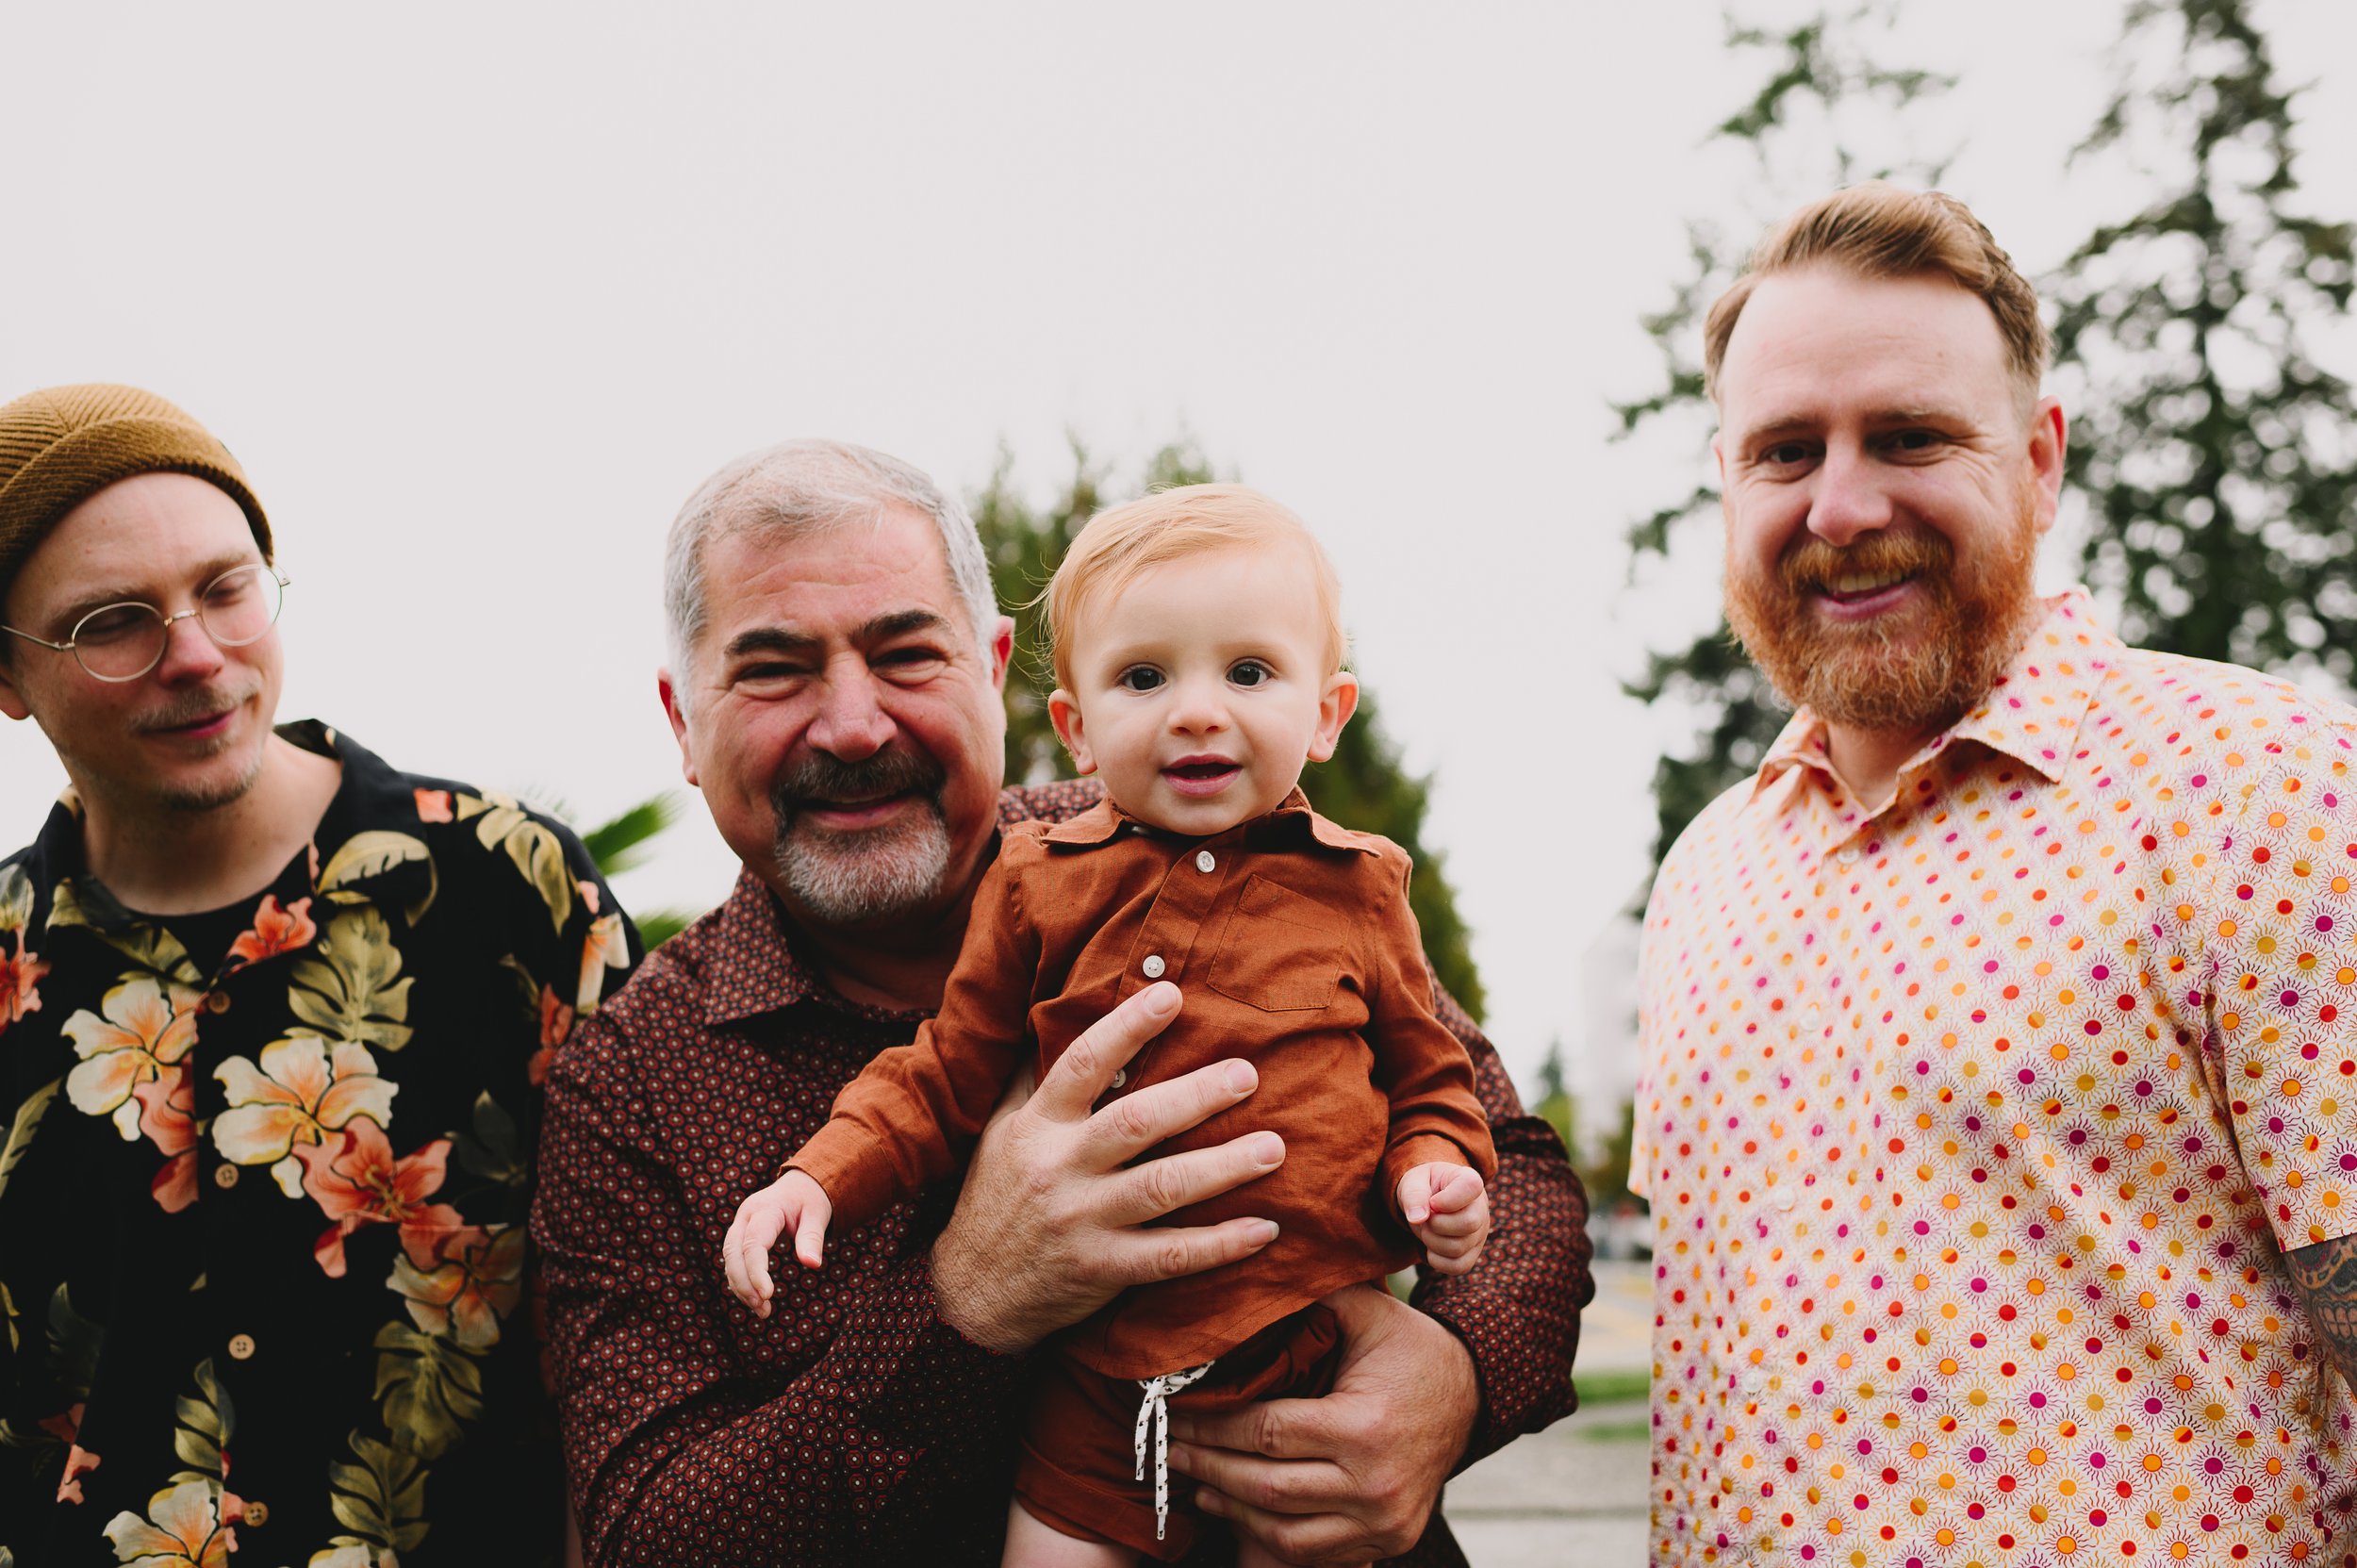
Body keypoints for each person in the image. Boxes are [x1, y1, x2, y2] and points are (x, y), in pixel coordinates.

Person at [533, 439, 1589, 1567]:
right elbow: (650, 1534)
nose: (852, 724)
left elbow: (1509, 1155)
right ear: (682, 722)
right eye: (774, 669)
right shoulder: (629, 1080)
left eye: (904, 653)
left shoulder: (1224, 845)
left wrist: (1455, 1377)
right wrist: (963, 1302)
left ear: (992, 674)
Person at [1635, 183, 2357, 1564]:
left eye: (1908, 436)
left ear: (2040, 459)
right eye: (1785, 451)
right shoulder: (1705, 872)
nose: (1842, 507)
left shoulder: (2267, 789)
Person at [0, 384, 635, 1566]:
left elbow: (645, 1346)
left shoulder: (516, 890)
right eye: (113, 621)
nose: (195, 656)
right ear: (6, 676)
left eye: (226, 588)